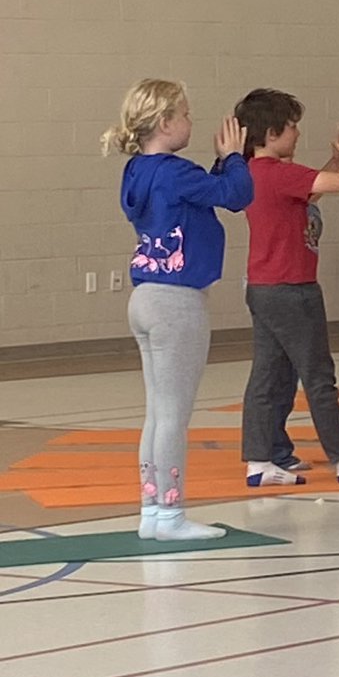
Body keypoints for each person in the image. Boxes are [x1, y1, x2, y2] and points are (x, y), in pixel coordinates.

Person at [103, 79, 254, 540]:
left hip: (145, 297)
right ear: (166, 123)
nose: (191, 121)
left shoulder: (139, 171)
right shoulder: (174, 171)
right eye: (185, 114)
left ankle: (152, 509)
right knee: (173, 416)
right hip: (176, 303)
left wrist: (219, 168)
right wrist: (232, 157)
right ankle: (170, 515)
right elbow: (236, 195)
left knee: (157, 411)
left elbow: (207, 193)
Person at [235, 88, 339, 487]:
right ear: (271, 133)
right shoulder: (279, 173)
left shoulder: (257, 173)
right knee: (319, 376)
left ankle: (260, 457)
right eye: (292, 127)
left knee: (270, 375)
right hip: (292, 288)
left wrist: (338, 159)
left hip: (265, 287)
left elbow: (316, 186)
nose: (297, 134)